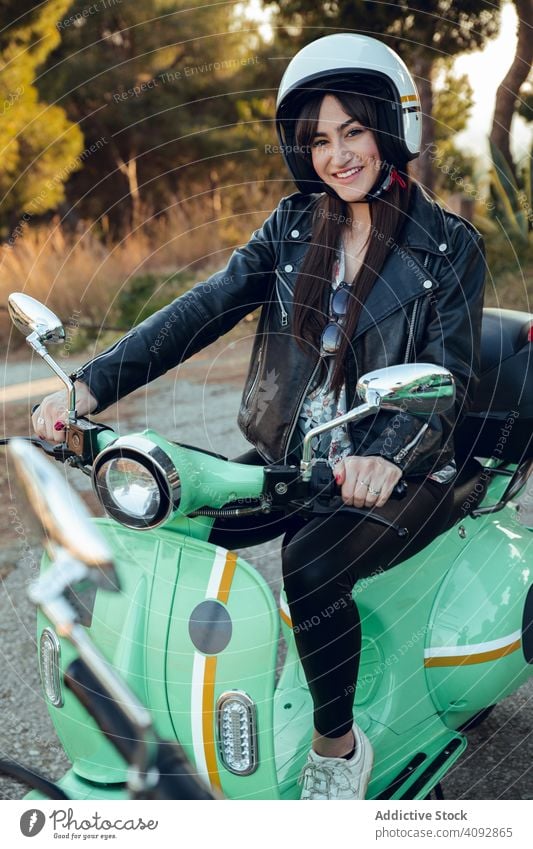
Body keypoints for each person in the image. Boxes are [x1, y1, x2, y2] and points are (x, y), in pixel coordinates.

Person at [33, 33, 486, 800]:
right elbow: (199, 311)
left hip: (405, 464)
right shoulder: (291, 228)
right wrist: (86, 390)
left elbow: (449, 376)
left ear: (387, 126)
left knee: (309, 566)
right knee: (172, 517)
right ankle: (167, 727)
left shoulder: (448, 247)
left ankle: (337, 750)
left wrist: (388, 453)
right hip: (295, 461)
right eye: (317, 139)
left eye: (352, 131)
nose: (337, 155)